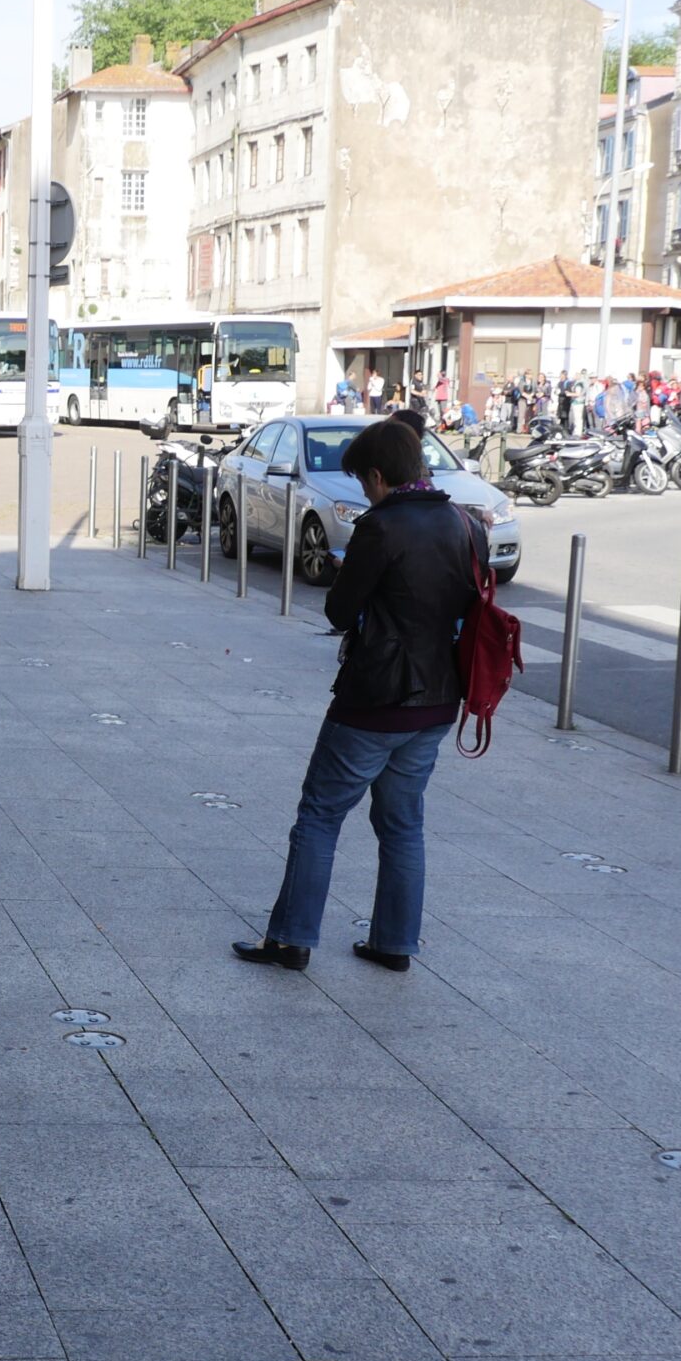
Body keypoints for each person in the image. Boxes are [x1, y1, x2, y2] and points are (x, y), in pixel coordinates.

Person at [233, 416, 477, 976]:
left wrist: (352, 575)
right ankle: (395, 944)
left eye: (363, 483)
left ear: (376, 475)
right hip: (438, 700)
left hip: (376, 699)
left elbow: (340, 612)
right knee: (403, 823)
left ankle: (290, 939)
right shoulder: (463, 522)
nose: (364, 492)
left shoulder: (382, 527)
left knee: (320, 814)